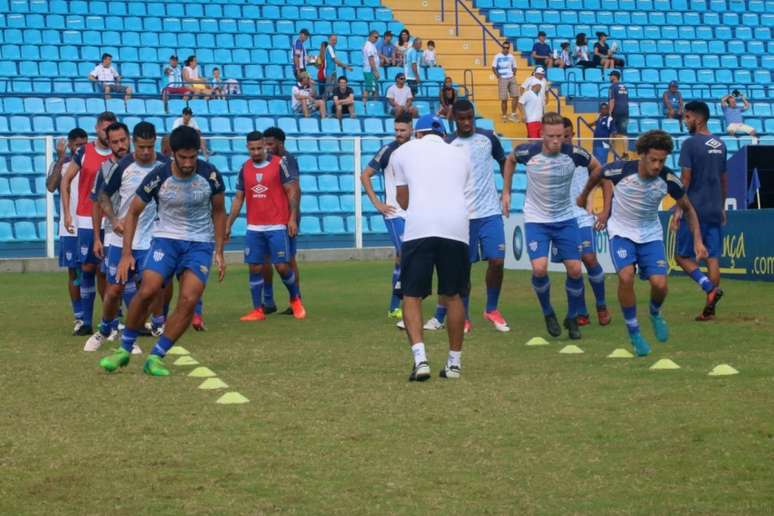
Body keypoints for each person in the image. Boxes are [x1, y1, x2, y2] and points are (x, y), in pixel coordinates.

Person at [99, 126, 227, 376]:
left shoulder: (210, 175)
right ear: (172, 153)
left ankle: (156, 356)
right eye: (183, 157)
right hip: (165, 239)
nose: (189, 163)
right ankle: (124, 350)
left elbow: (219, 211)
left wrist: (219, 251)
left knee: (189, 299)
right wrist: (126, 254)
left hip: (200, 243)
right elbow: (133, 212)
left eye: (193, 157)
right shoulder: (158, 176)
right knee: (148, 290)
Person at [577, 130, 707, 356]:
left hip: (650, 235)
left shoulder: (667, 179)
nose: (657, 165)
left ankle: (655, 313)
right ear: (642, 155)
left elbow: (688, 208)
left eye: (662, 161)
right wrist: (584, 195)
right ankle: (634, 332)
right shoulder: (621, 170)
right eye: (653, 160)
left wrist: (697, 240)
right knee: (626, 276)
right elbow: (597, 173)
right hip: (621, 232)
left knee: (660, 285)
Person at [503, 112, 603, 340]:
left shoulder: (574, 154)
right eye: (551, 136)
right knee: (539, 269)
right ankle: (548, 313)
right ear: (541, 135)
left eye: (560, 136)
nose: (557, 140)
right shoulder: (528, 152)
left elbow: (598, 168)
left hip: (566, 218)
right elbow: (509, 160)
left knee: (576, 270)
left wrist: (587, 194)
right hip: (537, 220)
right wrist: (506, 192)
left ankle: (572, 317)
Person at [391, 114, 474, 381]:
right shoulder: (461, 154)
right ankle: (454, 364)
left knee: (411, 295)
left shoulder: (402, 152)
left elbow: (402, 200)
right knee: (453, 295)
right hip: (456, 227)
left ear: (418, 133)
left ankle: (421, 360)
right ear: (443, 134)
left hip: (420, 227)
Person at [425, 99, 508, 334]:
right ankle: (465, 316)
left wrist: (507, 190)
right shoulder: (448, 144)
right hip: (462, 215)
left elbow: (504, 161)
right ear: (454, 120)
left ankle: (491, 308)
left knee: (497, 260)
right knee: (463, 268)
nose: (467, 122)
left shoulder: (488, 138)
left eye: (470, 117)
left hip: (490, 211)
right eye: (462, 119)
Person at [85, 122, 168, 353]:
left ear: (155, 143)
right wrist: (113, 220)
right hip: (121, 239)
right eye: (141, 147)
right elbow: (102, 196)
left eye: (149, 147)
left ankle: (134, 336)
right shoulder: (122, 166)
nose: (144, 152)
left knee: (151, 288)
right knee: (114, 291)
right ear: (135, 143)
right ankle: (104, 329)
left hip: (151, 238)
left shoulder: (165, 165)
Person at [227, 131, 305, 322]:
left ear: (264, 145)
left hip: (277, 224)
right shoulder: (244, 168)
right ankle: (258, 309)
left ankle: (295, 299)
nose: (255, 152)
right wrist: (229, 223)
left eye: (259, 148)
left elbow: (291, 191)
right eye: (252, 149)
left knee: (281, 266)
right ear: (247, 148)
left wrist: (292, 218)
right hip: (254, 227)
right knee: (255, 267)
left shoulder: (279, 163)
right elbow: (238, 198)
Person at [61, 111, 117, 336]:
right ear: (97, 129)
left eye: (112, 128)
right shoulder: (85, 152)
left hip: (112, 220)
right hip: (85, 218)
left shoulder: (119, 154)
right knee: (87, 268)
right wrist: (67, 214)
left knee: (108, 271)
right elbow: (65, 182)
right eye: (105, 128)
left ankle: (112, 320)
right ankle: (85, 321)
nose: (108, 132)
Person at [671, 101, 727, 321]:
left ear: (698, 118)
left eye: (687, 117)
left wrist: (677, 210)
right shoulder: (721, 144)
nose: (686, 122)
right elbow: (724, 180)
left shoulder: (690, 144)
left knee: (682, 256)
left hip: (694, 208)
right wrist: (722, 207)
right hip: (714, 208)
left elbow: (685, 180)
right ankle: (710, 309)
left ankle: (708, 288)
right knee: (712, 258)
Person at [361, 113, 413, 321]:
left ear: (411, 129)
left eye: (403, 130)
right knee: (407, 255)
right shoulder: (387, 150)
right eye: (396, 130)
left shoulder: (417, 149)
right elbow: (365, 175)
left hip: (414, 212)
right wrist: (378, 204)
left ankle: (394, 306)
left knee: (402, 259)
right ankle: (403, 302)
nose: (399, 134)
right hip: (394, 213)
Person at [562, 117, 611, 326]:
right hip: (561, 220)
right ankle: (580, 311)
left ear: (572, 134)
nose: (562, 140)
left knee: (589, 258)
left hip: (582, 217)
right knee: (572, 267)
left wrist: (604, 212)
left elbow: (605, 180)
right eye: (557, 136)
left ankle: (601, 304)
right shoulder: (548, 159)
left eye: (566, 135)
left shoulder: (583, 157)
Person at [86, 121, 132, 345]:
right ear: (109, 143)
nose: (120, 145)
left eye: (123, 140)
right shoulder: (105, 169)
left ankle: (143, 324)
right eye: (115, 142)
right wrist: (97, 237)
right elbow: (96, 203)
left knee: (146, 280)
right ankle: (112, 325)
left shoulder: (142, 164)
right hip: (114, 233)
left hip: (144, 231)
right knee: (115, 282)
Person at [46, 128, 88, 334]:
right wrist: (61, 157)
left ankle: (113, 318)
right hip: (69, 228)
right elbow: (51, 186)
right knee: (74, 273)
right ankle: (79, 318)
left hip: (90, 225)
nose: (81, 147)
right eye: (77, 144)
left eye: (84, 143)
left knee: (100, 272)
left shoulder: (93, 162)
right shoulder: (62, 164)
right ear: (70, 145)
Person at [261, 127, 303, 315]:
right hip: (268, 217)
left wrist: (291, 217)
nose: (267, 148)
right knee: (264, 259)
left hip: (285, 217)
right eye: (265, 144)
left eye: (270, 144)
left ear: (280, 143)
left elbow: (295, 189)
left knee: (287, 259)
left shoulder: (287, 160)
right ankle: (268, 301)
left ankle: (296, 300)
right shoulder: (267, 161)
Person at [492, 41, 518, 122]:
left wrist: (513, 73)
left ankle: (513, 114)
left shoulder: (512, 57)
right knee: (504, 98)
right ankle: (504, 115)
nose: (506, 49)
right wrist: (498, 76)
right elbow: (493, 67)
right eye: (504, 47)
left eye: (507, 48)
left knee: (516, 96)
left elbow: (515, 66)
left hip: (511, 77)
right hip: (502, 78)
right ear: (502, 47)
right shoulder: (497, 56)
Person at [322, 34, 353, 100]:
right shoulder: (329, 47)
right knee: (328, 90)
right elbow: (335, 60)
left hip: (334, 71)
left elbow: (335, 62)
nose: (334, 41)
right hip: (329, 72)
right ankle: (323, 103)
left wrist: (343, 66)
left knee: (335, 89)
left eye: (335, 40)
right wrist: (346, 67)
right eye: (333, 40)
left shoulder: (333, 48)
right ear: (329, 40)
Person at [608, 71, 629, 156]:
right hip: (625, 111)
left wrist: (609, 112)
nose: (609, 77)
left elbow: (612, 100)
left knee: (611, 130)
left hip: (616, 111)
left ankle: (610, 149)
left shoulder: (612, 87)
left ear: (614, 77)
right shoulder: (625, 87)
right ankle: (626, 153)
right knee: (624, 133)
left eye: (610, 76)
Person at [362, 30, 381, 105]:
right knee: (369, 88)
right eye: (375, 37)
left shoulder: (371, 45)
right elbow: (371, 59)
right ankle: (364, 105)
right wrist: (375, 71)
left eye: (377, 38)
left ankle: (373, 104)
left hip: (370, 70)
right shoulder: (369, 46)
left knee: (372, 88)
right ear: (370, 36)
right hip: (370, 71)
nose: (376, 39)